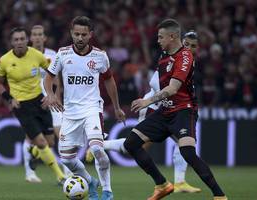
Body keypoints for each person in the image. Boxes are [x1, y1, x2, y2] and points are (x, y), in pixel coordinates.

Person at [85, 30, 201, 193]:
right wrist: (167, 94)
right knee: (137, 146)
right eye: (187, 44)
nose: (189, 48)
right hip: (154, 108)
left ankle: (180, 182)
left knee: (181, 142)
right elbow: (155, 82)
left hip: (167, 107)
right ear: (180, 42)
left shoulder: (187, 61)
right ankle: (101, 145)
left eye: (194, 46)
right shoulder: (172, 57)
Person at [123, 19, 227, 200]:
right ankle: (162, 184)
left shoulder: (185, 56)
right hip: (165, 111)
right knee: (131, 144)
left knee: (188, 153)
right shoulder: (163, 56)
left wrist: (147, 102)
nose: (158, 40)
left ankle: (219, 195)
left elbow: (173, 88)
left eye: (161, 37)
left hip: (183, 110)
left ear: (172, 36)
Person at [42, 16, 126, 200]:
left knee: (96, 149)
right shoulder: (63, 54)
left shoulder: (99, 56)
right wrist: (51, 94)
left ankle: (107, 191)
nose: (80, 38)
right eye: (76, 34)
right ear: (71, 33)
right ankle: (90, 181)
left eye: (84, 34)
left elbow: (109, 80)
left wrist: (117, 107)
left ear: (90, 35)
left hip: (92, 108)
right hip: (70, 112)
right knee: (67, 159)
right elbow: (48, 77)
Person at [0, 27, 65, 184]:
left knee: (51, 142)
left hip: (40, 100)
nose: (19, 42)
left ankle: (34, 152)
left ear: (27, 40)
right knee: (41, 142)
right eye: (16, 39)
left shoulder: (38, 55)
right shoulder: (3, 61)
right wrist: (9, 98)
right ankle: (61, 176)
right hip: (21, 105)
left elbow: (54, 76)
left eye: (21, 39)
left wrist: (51, 96)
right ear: (12, 42)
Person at [21, 25, 72, 183]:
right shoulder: (25, 56)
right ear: (31, 38)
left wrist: (56, 98)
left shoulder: (52, 55)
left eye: (40, 34)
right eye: (34, 34)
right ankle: (30, 174)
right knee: (31, 137)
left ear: (44, 38)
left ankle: (68, 173)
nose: (37, 37)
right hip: (32, 102)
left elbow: (57, 79)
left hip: (51, 100)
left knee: (61, 135)